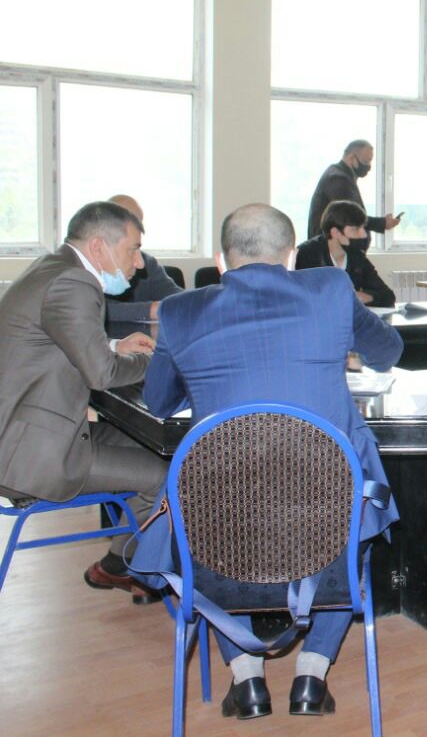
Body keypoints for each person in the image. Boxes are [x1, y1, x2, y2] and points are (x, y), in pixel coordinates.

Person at [136, 203, 403, 720]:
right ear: (291, 258)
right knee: (360, 513)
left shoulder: (179, 311)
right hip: (326, 513)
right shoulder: (330, 288)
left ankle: (247, 679)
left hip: (224, 519)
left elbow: (160, 401)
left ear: (220, 260)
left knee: (200, 527)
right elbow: (388, 352)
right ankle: (312, 675)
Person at [0, 201, 167, 603]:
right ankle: (130, 565)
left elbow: (56, 341)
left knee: (151, 446)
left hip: (29, 430)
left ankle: (122, 560)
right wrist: (155, 361)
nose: (139, 263)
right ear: (97, 247)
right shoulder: (75, 282)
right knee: (166, 474)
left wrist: (114, 344)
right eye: (132, 249)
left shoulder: (52, 267)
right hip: (31, 453)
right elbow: (102, 375)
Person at [295, 200, 396, 307]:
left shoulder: (356, 256)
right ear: (335, 232)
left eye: (363, 228)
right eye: (355, 229)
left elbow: (388, 295)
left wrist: (365, 297)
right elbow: (299, 299)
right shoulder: (305, 255)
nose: (364, 235)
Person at [103, 194, 183, 322]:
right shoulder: (85, 265)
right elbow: (93, 310)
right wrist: (152, 310)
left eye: (138, 223)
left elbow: (176, 296)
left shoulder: (146, 263)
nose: (139, 264)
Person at [305, 139, 402, 242]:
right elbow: (352, 216)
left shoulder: (342, 176)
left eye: (370, 161)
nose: (369, 166)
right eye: (365, 161)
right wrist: (382, 223)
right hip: (327, 248)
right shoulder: (338, 179)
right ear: (351, 158)